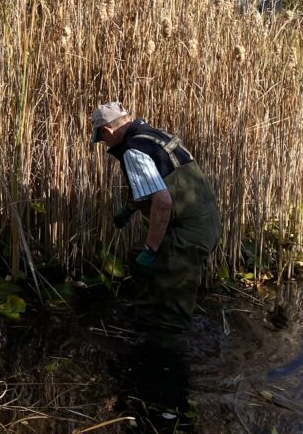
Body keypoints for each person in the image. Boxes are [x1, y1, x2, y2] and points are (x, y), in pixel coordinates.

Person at [90, 101, 221, 334]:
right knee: (135, 256)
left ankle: (167, 349)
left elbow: (163, 201)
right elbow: (160, 184)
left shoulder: (133, 149)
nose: (104, 145)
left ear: (107, 131)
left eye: (102, 140)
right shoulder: (155, 135)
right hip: (206, 222)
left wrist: (151, 250)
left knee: (172, 314)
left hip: (187, 235)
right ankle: (150, 313)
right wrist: (130, 209)